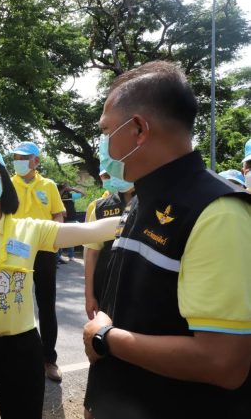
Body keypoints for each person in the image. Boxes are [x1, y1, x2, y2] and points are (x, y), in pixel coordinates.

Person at [82, 61, 251, 419]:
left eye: (106, 130)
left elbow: (223, 362)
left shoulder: (217, 213)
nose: (101, 142)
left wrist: (106, 340)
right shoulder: (143, 199)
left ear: (139, 129)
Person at [0, 146, 120, 419]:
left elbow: (90, 230)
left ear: (3, 180)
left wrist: (138, 213)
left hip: (22, 350)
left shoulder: (29, 228)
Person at [10, 141, 66, 381]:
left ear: (36, 161)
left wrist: (56, 240)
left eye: (23, 157)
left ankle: (49, 359)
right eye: (16, 157)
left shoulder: (49, 185)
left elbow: (58, 214)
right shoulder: (8, 183)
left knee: (46, 304)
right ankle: (16, 358)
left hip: (44, 250)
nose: (18, 161)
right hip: (16, 249)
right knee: (13, 303)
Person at [82, 173, 135, 320]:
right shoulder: (101, 207)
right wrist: (89, 295)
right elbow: (92, 253)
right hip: (105, 287)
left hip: (138, 287)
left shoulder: (153, 202)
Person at [57, 182, 84, 262]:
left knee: (70, 238)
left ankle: (71, 255)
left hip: (71, 218)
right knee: (60, 238)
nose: (67, 188)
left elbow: (82, 195)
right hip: (62, 219)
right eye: (65, 187)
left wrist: (72, 189)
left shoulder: (71, 195)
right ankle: (59, 256)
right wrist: (63, 189)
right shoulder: (57, 194)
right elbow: (57, 196)